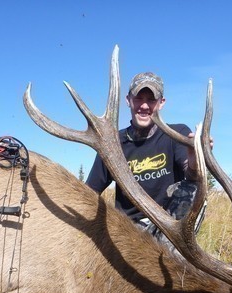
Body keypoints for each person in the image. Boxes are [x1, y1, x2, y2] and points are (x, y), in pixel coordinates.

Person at [86, 72, 205, 236]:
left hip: (167, 229)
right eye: (138, 98)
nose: (144, 106)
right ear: (128, 100)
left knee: (195, 188)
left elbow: (192, 175)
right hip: (127, 230)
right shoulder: (113, 143)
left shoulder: (176, 133)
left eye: (151, 99)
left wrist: (195, 162)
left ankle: (173, 256)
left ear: (161, 103)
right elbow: (90, 192)